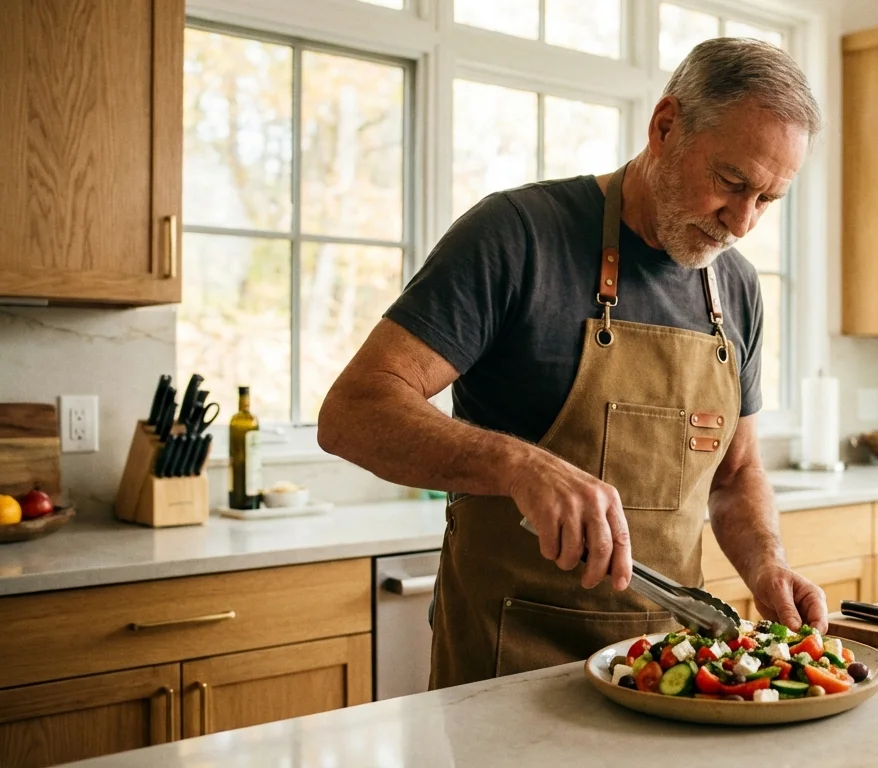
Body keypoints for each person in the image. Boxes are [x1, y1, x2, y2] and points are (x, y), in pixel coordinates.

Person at [317, 37, 826, 689]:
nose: (744, 222)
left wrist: (767, 566)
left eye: (768, 199)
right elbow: (352, 412)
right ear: (666, 127)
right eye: (731, 183)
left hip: (669, 671)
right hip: (511, 665)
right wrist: (517, 463)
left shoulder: (736, 286)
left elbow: (737, 472)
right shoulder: (515, 235)